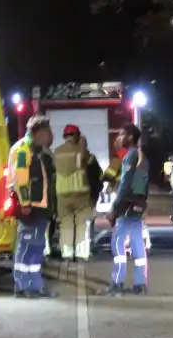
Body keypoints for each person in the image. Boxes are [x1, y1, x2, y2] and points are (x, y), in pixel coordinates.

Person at [8, 115, 57, 298]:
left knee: (36, 246)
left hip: (39, 207)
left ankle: (35, 285)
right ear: (39, 132)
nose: (49, 136)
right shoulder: (23, 149)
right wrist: (26, 203)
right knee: (27, 246)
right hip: (31, 207)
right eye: (47, 133)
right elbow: (20, 178)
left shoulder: (36, 150)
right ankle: (22, 285)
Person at [101, 124, 150, 296]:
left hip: (127, 204)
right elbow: (145, 183)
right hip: (138, 203)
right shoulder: (143, 157)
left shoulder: (130, 156)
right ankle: (140, 284)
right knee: (137, 243)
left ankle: (117, 283)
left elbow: (124, 184)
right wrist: (144, 203)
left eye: (121, 134)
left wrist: (114, 208)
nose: (118, 138)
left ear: (129, 137)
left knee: (117, 242)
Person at [53, 124, 96, 262]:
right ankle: (81, 254)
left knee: (65, 224)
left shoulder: (57, 152)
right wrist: (83, 144)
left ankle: (66, 253)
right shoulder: (80, 150)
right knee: (82, 224)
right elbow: (88, 163)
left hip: (62, 194)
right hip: (80, 194)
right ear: (76, 135)